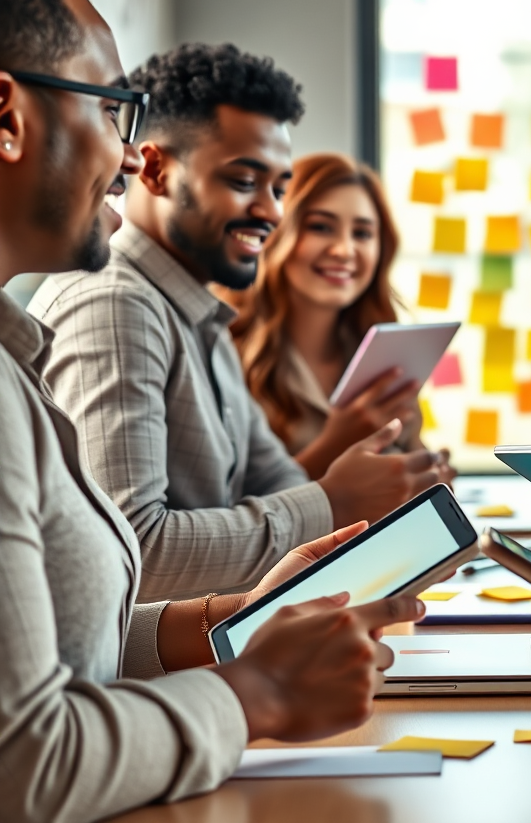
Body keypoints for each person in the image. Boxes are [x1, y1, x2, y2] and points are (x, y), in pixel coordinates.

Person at [0, 0, 425, 823]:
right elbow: (25, 759)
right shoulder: (113, 310)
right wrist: (254, 693)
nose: (123, 153)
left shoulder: (104, 334)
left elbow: (76, 632)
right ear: (7, 117)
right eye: (114, 110)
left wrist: (241, 618)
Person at [29, 43, 441, 603]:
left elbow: (280, 486)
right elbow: (130, 553)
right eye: (245, 181)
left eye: (279, 187)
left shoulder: (201, 317)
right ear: (154, 169)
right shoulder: (115, 308)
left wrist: (388, 515)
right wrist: (333, 503)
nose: (272, 211)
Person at [226, 152, 454, 482]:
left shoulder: (385, 358)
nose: (344, 250)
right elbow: (229, 511)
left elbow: (412, 481)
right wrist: (335, 445)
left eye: (362, 233)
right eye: (321, 227)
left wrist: (430, 475)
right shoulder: (225, 351)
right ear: (275, 232)